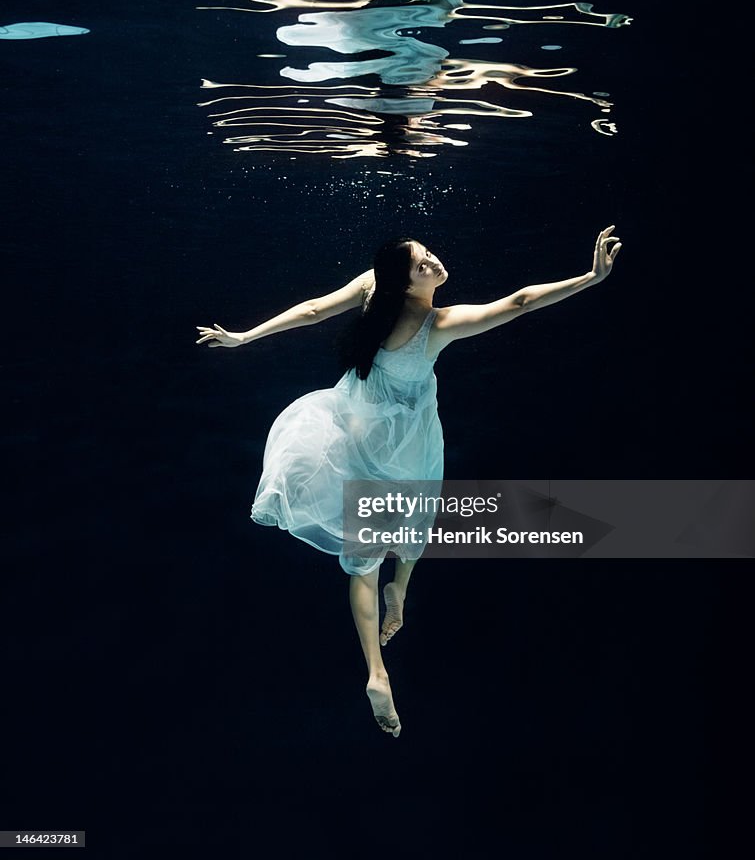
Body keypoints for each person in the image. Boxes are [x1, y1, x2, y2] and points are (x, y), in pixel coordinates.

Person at [196, 226, 622, 736]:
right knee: (420, 510)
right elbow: (521, 302)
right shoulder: (437, 324)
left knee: (361, 559)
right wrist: (591, 278)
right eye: (422, 264)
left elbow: (311, 311)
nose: (434, 263)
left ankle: (377, 667)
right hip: (404, 435)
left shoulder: (373, 289)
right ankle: (400, 592)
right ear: (403, 283)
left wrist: (244, 337)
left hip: (355, 420)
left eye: (428, 254)